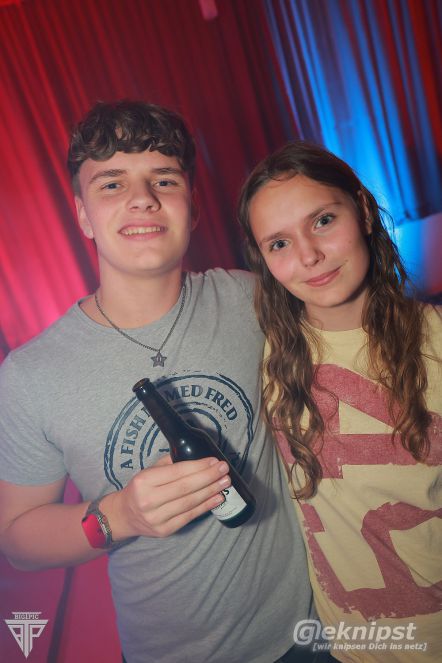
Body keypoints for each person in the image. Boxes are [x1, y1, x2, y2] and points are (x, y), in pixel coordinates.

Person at [0, 102, 320, 663]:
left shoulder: (252, 299)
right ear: (83, 216)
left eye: (164, 179)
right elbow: (17, 540)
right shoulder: (30, 376)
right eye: (112, 184)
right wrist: (121, 515)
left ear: (192, 208)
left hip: (310, 629)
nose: (142, 198)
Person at [237, 141, 442, 662]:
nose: (308, 255)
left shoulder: (437, 340)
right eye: (279, 243)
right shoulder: (266, 357)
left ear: (364, 211)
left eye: (323, 220)